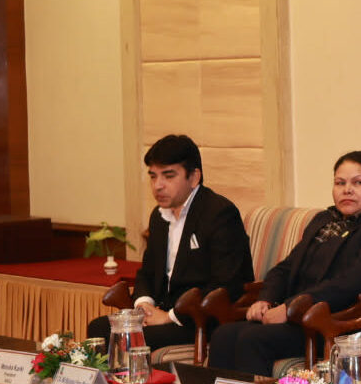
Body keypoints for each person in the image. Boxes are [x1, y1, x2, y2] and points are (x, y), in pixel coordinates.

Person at [207, 151, 361, 376]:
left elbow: (352, 284)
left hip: (342, 324)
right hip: (303, 319)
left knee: (252, 338)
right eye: (340, 183)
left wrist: (291, 308)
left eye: (358, 183)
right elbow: (286, 267)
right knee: (223, 335)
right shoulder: (325, 221)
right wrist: (266, 299)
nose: (347, 190)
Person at [88, 134, 254, 349]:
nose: (158, 186)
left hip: (198, 319)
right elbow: (147, 272)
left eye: (168, 176)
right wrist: (143, 305)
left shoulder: (219, 214)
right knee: (99, 329)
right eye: (153, 177)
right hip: (162, 313)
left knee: (130, 339)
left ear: (193, 177)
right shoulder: (159, 217)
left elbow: (226, 284)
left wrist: (170, 316)